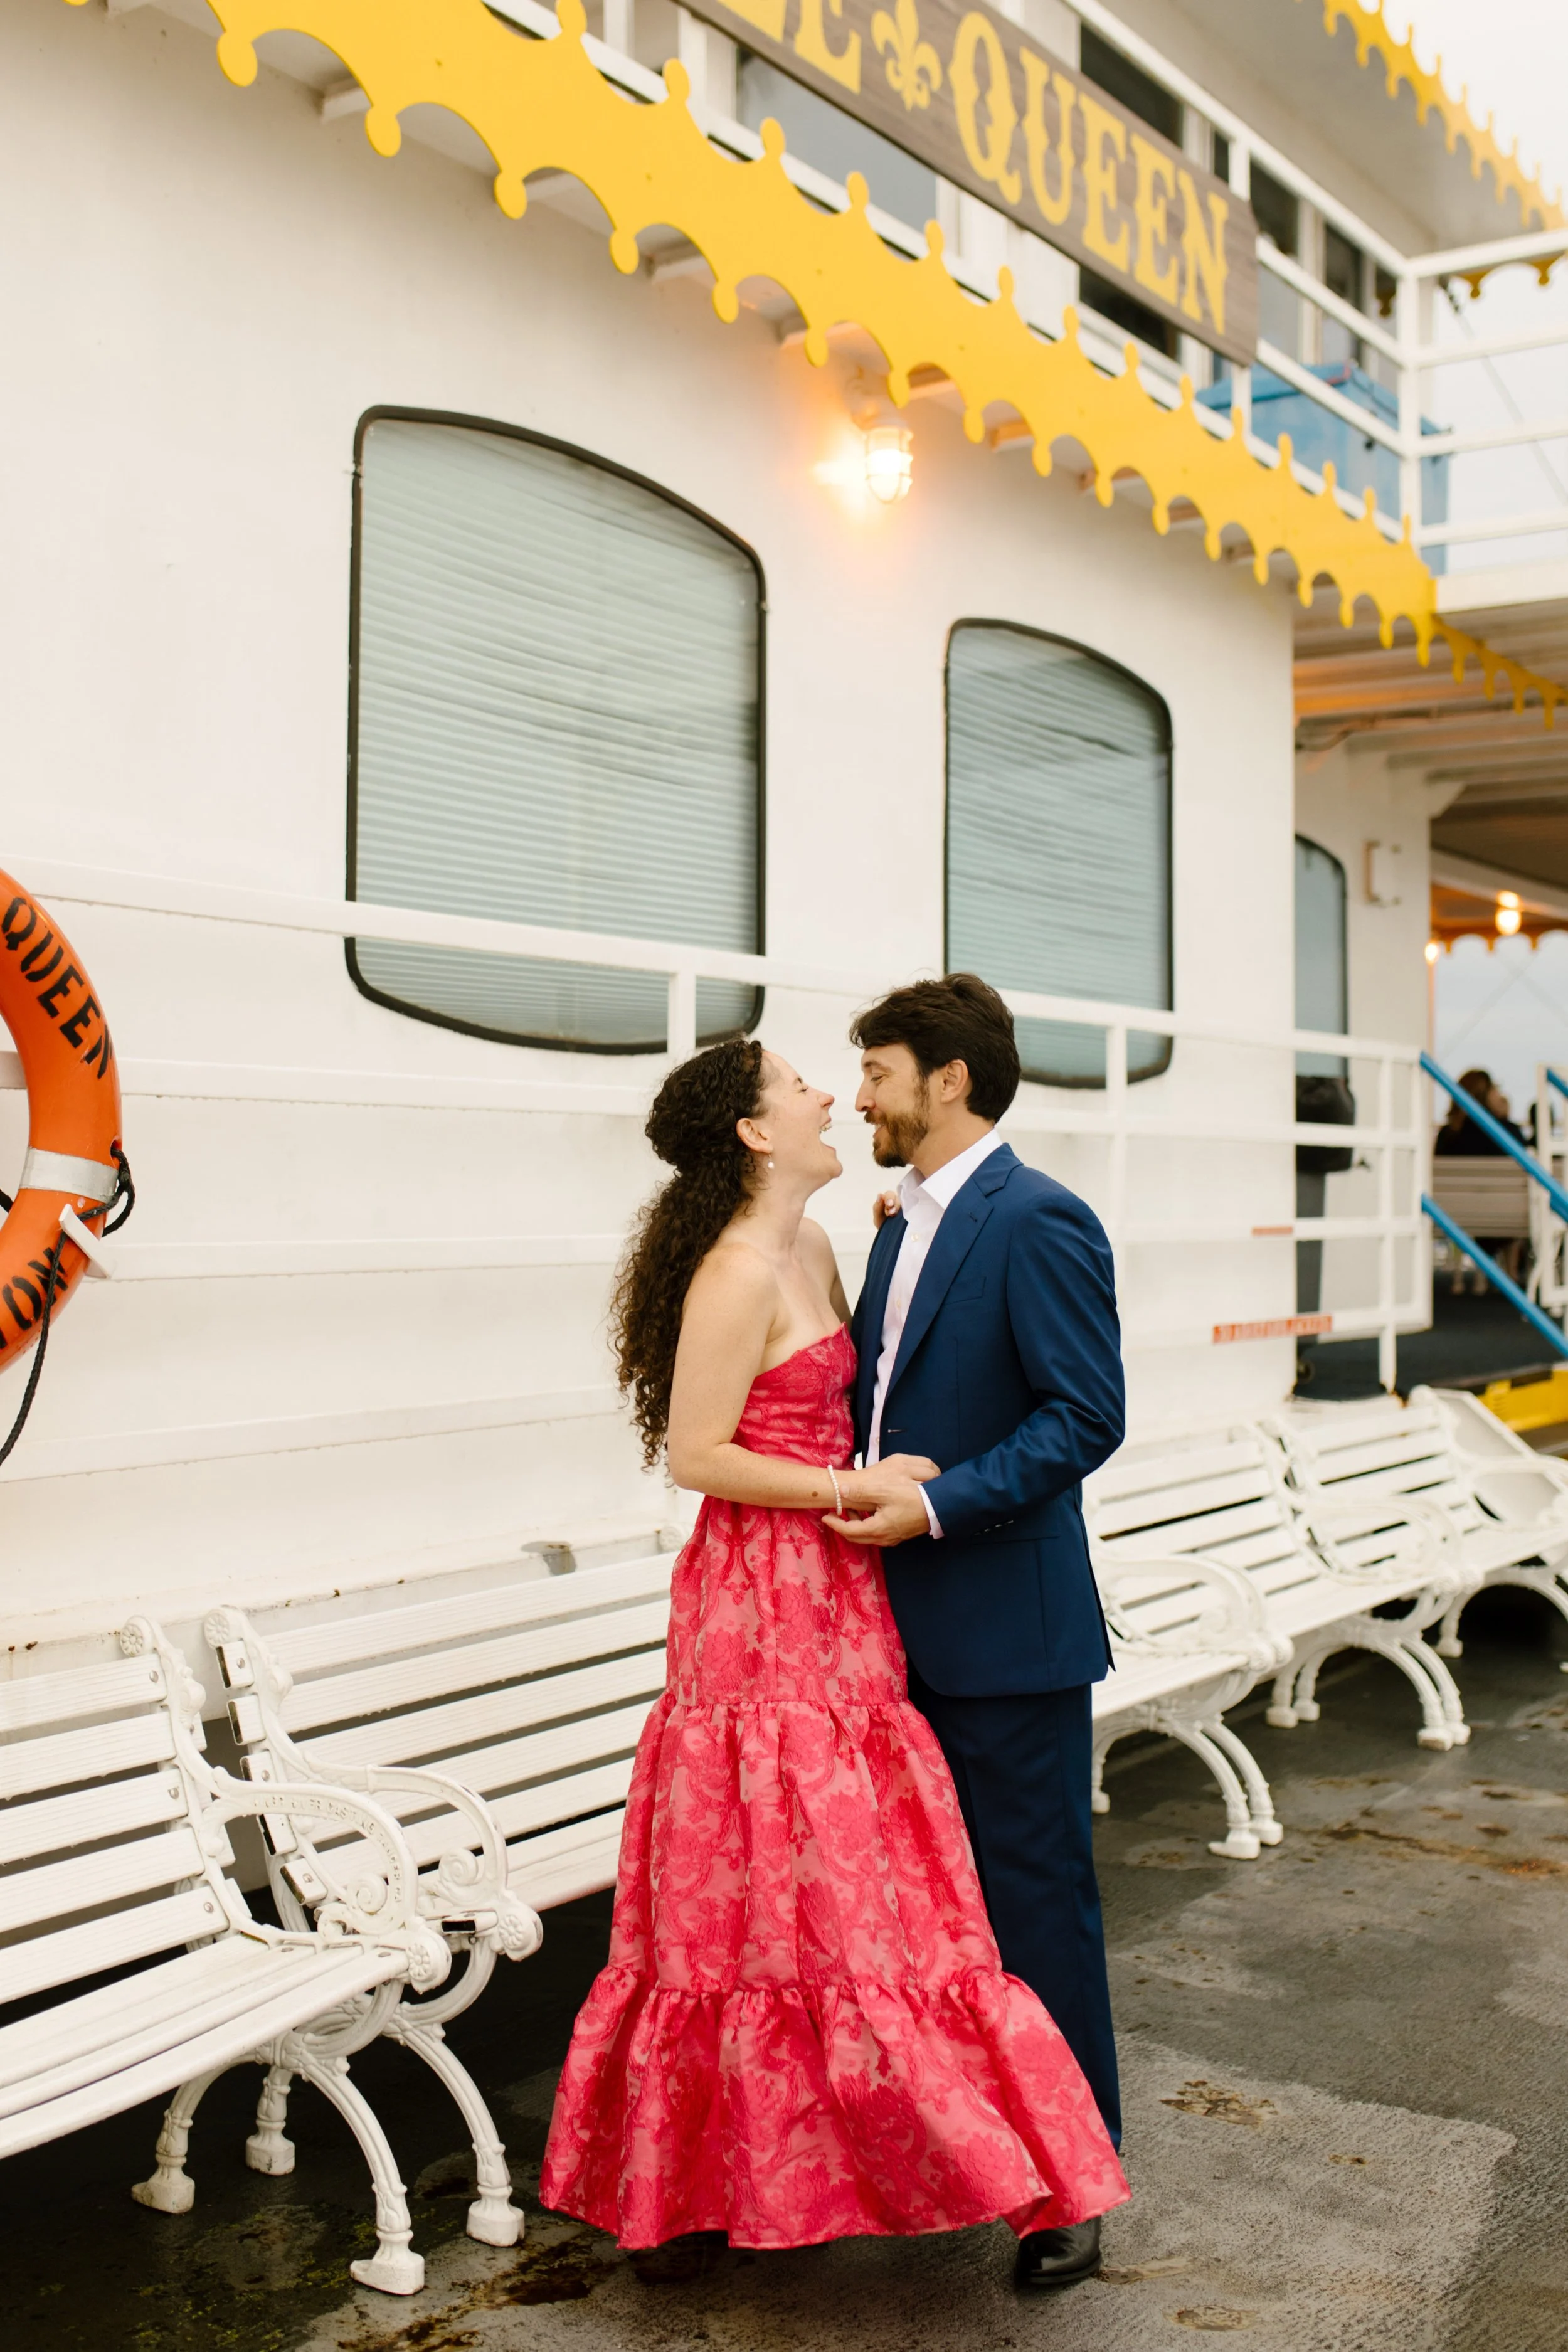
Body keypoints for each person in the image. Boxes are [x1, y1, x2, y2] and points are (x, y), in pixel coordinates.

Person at [541, 1036, 1127, 2274]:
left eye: (853, 1075)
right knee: (742, 1902)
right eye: (802, 1086)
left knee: (846, 1902)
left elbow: (928, 1391)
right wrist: (842, 1484)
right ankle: (705, 2184)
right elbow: (698, 1453)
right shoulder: (738, 1268)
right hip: (763, 1605)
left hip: (848, 1600)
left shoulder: (829, 1239)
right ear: (756, 1134)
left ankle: (979, 2172)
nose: (830, 1096)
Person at [824, 974, 1126, 2292]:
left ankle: (1071, 2185)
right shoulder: (893, 1225)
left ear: (948, 1081)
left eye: (878, 1072)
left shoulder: (1040, 1219)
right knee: (919, 1922)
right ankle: (958, 2158)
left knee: (1034, 1907)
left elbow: (1082, 1417)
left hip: (1004, 1629)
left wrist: (938, 1505)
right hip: (885, 1634)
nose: (858, 1096)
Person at [1434, 1067, 1529, 1291]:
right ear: (1486, 1095)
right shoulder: (1507, 1131)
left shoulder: (1447, 1135)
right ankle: (1512, 1277)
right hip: (1509, 1216)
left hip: (1453, 1217)